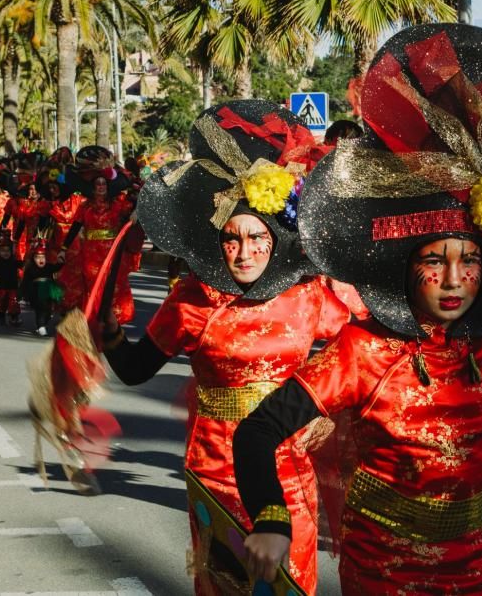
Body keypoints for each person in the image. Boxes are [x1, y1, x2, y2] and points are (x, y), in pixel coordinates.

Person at [232, 24, 482, 594]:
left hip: (476, 568)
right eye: (435, 261)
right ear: (407, 266)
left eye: (469, 262)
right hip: (382, 570)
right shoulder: (364, 350)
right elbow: (257, 432)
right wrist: (272, 519)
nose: (454, 280)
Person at [101, 101, 351, 595]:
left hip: (290, 467)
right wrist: (110, 338)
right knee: (227, 586)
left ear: (276, 238)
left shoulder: (309, 296)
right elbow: (134, 371)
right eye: (232, 240)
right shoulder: (193, 299)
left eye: (257, 238)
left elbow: (363, 347)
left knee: (288, 584)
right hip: (216, 469)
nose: (244, 252)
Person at [59, 153, 138, 324]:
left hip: (113, 251)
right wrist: (64, 249)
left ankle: (112, 320)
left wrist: (136, 210)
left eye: (103, 183)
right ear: (93, 187)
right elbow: (75, 227)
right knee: (92, 284)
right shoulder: (85, 206)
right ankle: (91, 317)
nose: (101, 186)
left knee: (113, 283)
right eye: (98, 184)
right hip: (90, 252)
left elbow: (134, 204)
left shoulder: (118, 205)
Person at [19, 241, 62, 336]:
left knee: (48, 311)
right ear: (33, 259)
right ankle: (40, 326)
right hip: (36, 292)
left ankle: (43, 324)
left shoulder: (49, 267)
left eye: (43, 257)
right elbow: (25, 281)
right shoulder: (30, 269)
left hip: (48, 290)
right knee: (40, 310)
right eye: (38, 258)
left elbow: (57, 267)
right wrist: (22, 294)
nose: (41, 260)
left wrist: (60, 262)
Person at [0, 238, 23, 327]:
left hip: (13, 287)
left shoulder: (14, 262)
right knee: (1, 304)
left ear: (11, 252)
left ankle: (14, 318)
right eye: (3, 251)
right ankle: (2, 317)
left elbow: (25, 264)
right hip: (1, 287)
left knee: (14, 304)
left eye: (8, 251)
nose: (5, 253)